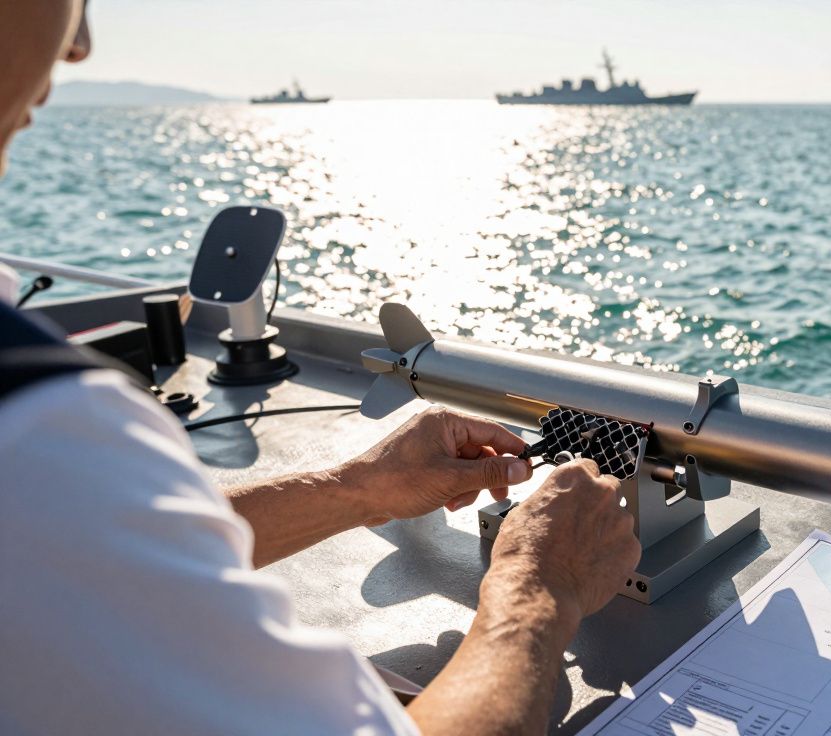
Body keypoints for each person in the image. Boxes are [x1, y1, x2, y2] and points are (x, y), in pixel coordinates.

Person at [0, 2, 642, 734]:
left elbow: (98, 553)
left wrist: (356, 489)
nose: (80, 42)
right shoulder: (38, 439)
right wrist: (538, 591)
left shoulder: (42, 467)